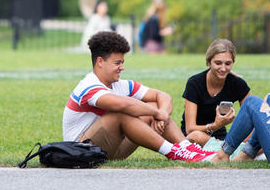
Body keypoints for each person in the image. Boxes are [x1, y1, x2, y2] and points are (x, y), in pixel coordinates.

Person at [63, 31, 216, 163]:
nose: (122, 67)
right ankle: (173, 152)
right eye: (117, 63)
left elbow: (162, 95)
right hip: (80, 152)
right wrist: (156, 113)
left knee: (154, 105)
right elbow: (123, 105)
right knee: (123, 113)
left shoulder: (121, 84)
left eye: (122, 62)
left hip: (108, 150)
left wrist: (160, 113)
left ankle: (186, 148)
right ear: (100, 62)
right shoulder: (89, 85)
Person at [181, 39, 251, 150]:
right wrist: (215, 126)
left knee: (258, 135)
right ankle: (231, 152)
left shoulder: (238, 83)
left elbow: (251, 118)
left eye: (228, 63)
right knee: (196, 136)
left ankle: (228, 150)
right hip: (196, 137)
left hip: (222, 138)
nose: (223, 68)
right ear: (209, 62)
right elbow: (190, 129)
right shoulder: (194, 83)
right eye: (218, 63)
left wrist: (244, 138)